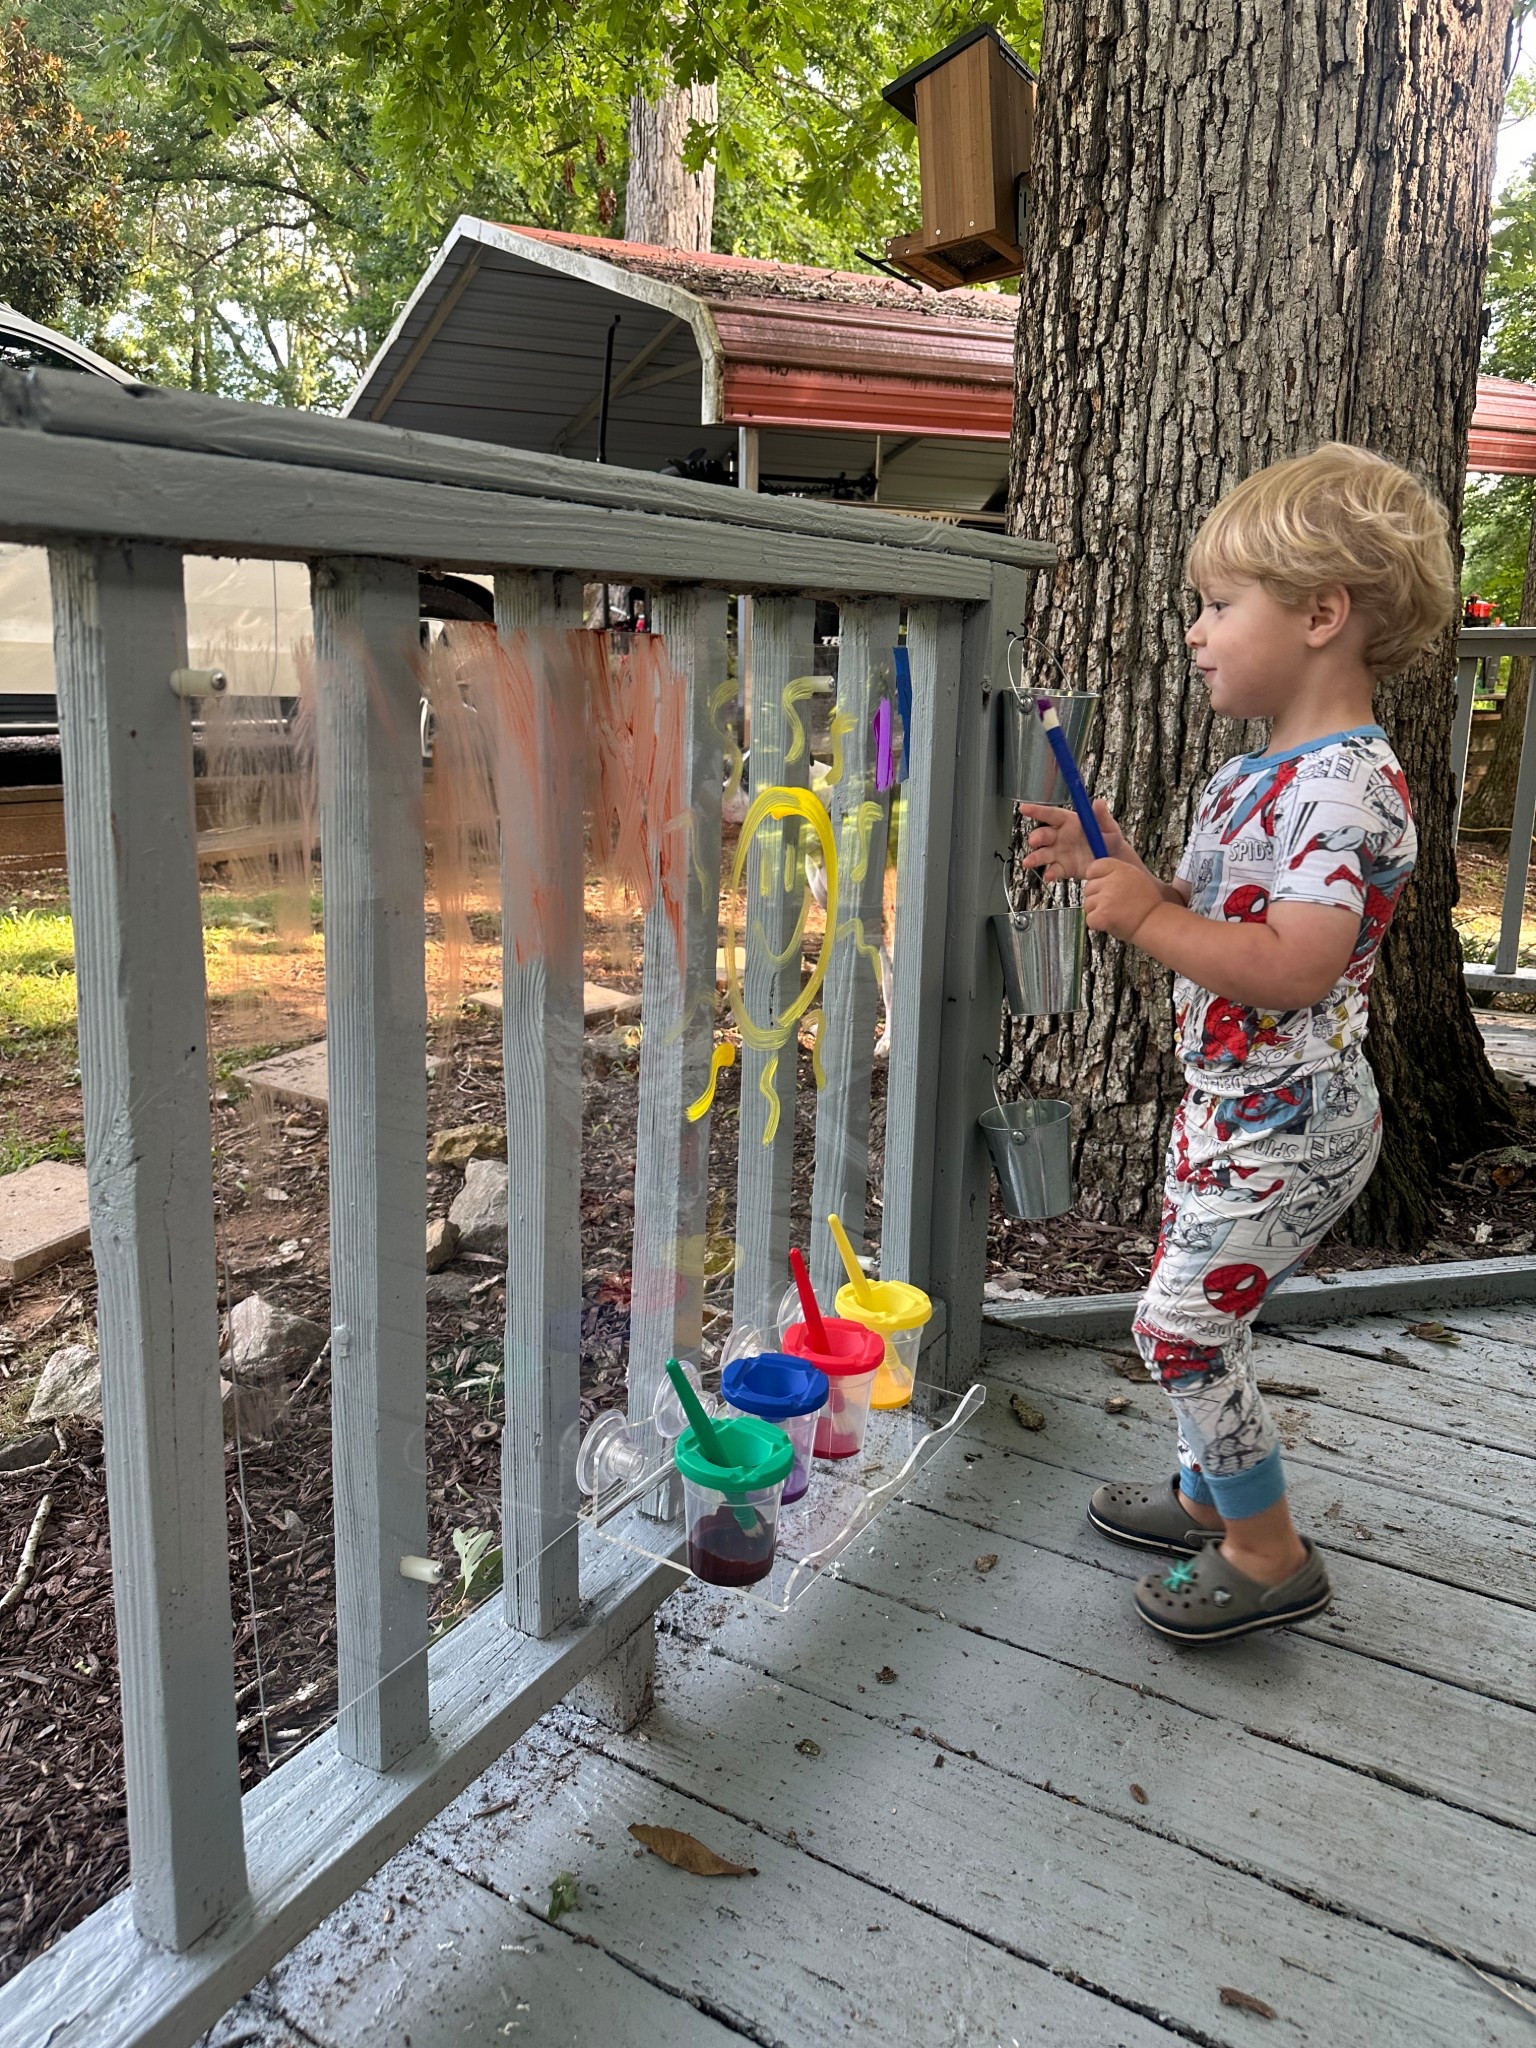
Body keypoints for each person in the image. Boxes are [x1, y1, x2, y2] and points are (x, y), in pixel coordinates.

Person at [1020, 442, 1456, 1645]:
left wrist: (1154, 916)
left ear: (1323, 614)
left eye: (1219, 606)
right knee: (1196, 1307)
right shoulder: (1252, 776)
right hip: (1228, 1107)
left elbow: (1298, 963)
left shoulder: (1345, 788)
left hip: (1295, 1115)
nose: (1198, 634)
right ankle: (1208, 1494)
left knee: (1179, 1328)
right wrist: (1130, 863)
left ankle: (1267, 1552)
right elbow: (1237, 925)